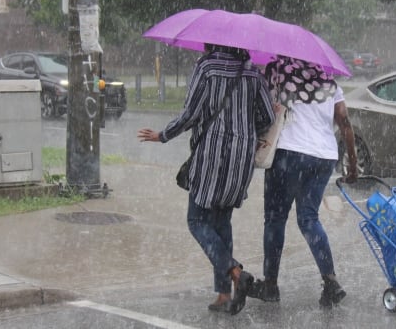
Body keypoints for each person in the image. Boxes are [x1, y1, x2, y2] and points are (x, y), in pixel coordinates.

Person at [137, 43, 275, 315]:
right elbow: (268, 117)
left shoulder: (207, 67)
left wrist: (163, 135)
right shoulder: (253, 73)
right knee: (222, 221)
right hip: (240, 161)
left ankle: (236, 274)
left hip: (211, 156)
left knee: (197, 219)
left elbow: (190, 113)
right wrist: (245, 132)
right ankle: (224, 295)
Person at [248, 56, 358, 307]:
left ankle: (271, 285)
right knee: (309, 218)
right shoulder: (329, 81)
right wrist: (352, 163)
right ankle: (330, 282)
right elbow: (345, 121)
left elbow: (262, 113)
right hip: (324, 157)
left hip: (289, 153)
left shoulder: (277, 72)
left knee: (275, 219)